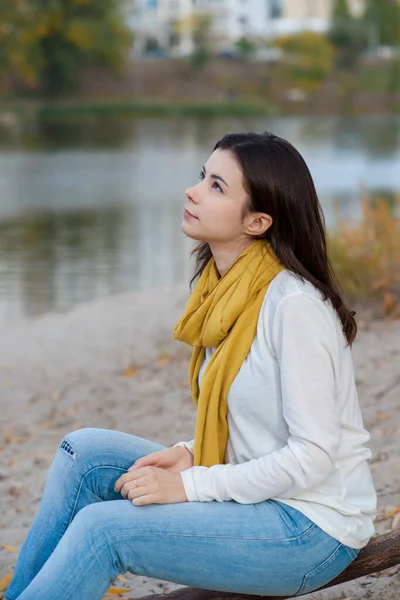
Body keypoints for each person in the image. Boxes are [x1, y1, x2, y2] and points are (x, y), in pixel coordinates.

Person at [5, 132, 377, 600]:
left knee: (104, 530)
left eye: (217, 186)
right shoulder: (224, 294)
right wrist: (192, 449)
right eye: (203, 176)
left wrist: (190, 483)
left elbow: (312, 457)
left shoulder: (294, 308)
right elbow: (252, 422)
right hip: (259, 493)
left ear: (258, 221)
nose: (193, 190)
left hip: (309, 528)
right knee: (84, 455)